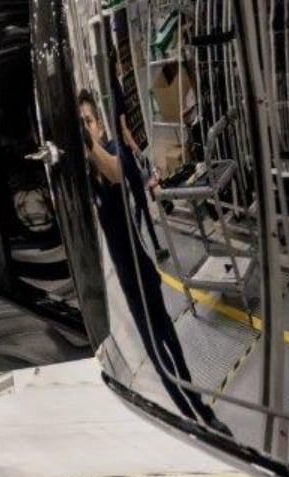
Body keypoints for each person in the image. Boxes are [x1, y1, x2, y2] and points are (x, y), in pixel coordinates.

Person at [79, 89, 230, 436]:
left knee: (171, 342)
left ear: (98, 125)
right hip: (129, 284)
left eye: (89, 121)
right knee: (160, 362)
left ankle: (203, 412)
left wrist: (90, 144)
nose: (86, 128)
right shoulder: (87, 175)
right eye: (82, 124)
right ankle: (196, 421)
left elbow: (117, 174)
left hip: (143, 269)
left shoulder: (115, 151)